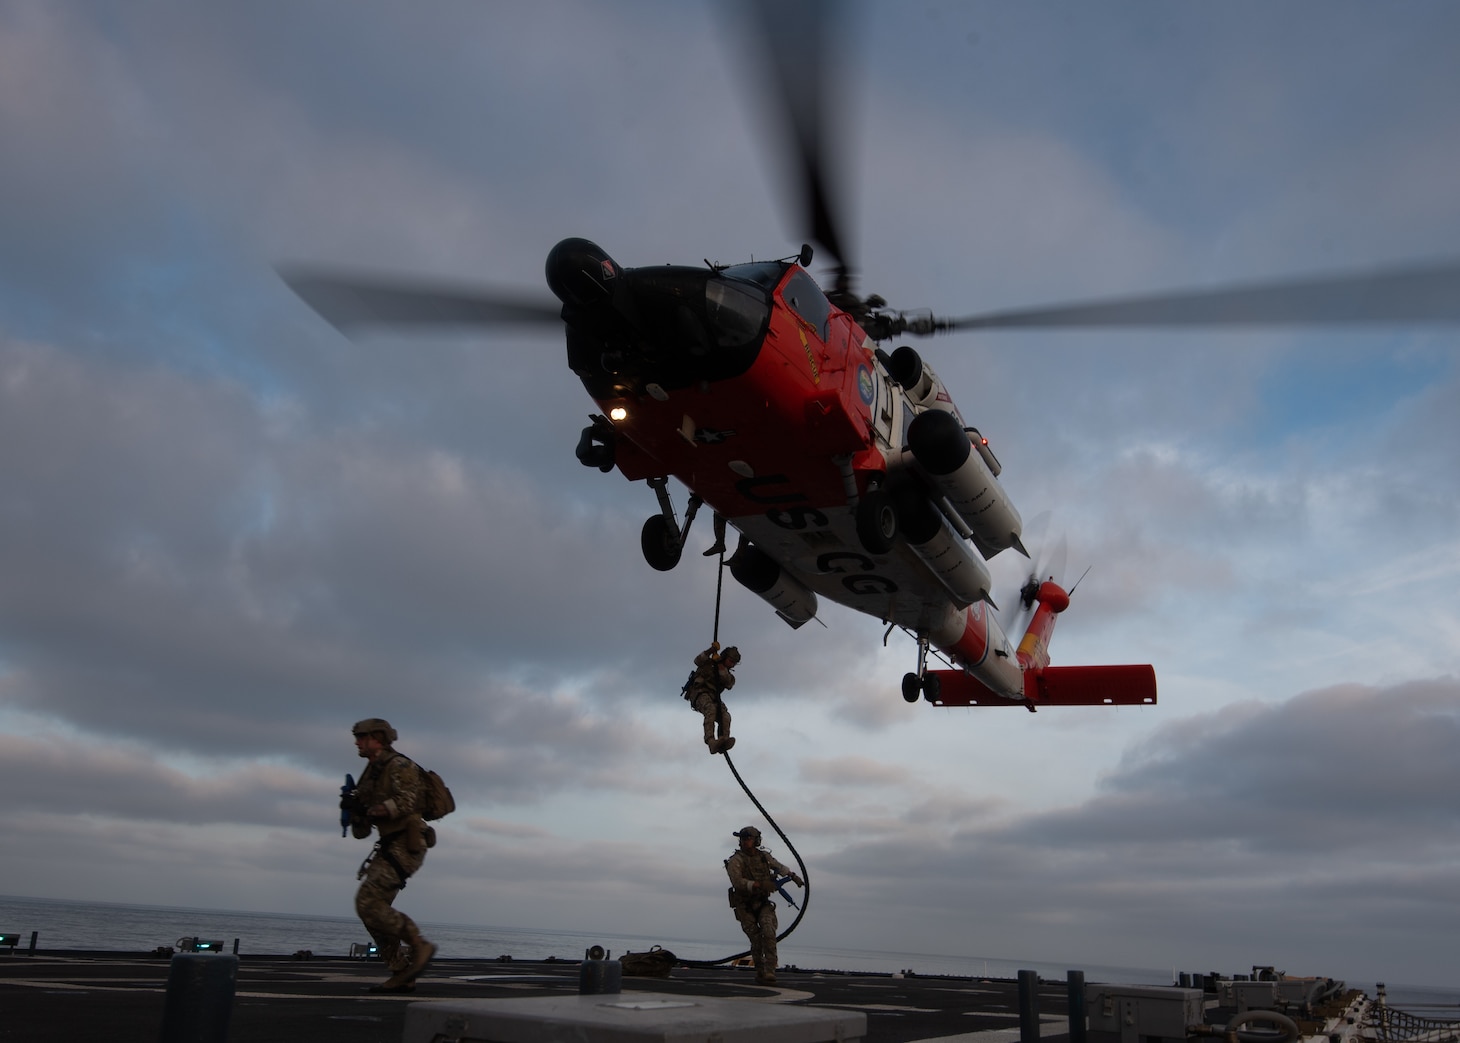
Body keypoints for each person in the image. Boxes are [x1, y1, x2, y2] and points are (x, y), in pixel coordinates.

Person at [345, 718, 437, 993]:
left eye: (361, 737)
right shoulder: (370, 774)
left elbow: (407, 801)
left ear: (378, 738)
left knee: (367, 902)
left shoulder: (400, 765)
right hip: (389, 845)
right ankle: (401, 971)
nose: (357, 742)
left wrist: (368, 809)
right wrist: (354, 812)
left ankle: (419, 945)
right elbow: (361, 833)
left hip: (407, 844)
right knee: (372, 913)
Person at [724, 825, 803, 985]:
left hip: (762, 903)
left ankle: (770, 970)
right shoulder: (736, 861)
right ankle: (760, 970)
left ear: (756, 841)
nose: (746, 842)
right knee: (756, 940)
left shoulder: (764, 857)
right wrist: (759, 885)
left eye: (749, 839)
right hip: (744, 906)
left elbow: (779, 867)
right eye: (743, 839)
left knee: (769, 932)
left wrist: (793, 877)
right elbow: (738, 882)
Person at [683, 644, 739, 754]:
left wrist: (720, 666)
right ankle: (711, 741)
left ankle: (723, 740)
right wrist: (711, 651)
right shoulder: (708, 663)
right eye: (731, 661)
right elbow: (697, 660)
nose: (732, 664)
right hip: (699, 693)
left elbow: (728, 683)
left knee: (725, 716)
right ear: (725, 657)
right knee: (711, 709)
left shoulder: (728, 675)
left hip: (713, 697)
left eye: (734, 663)